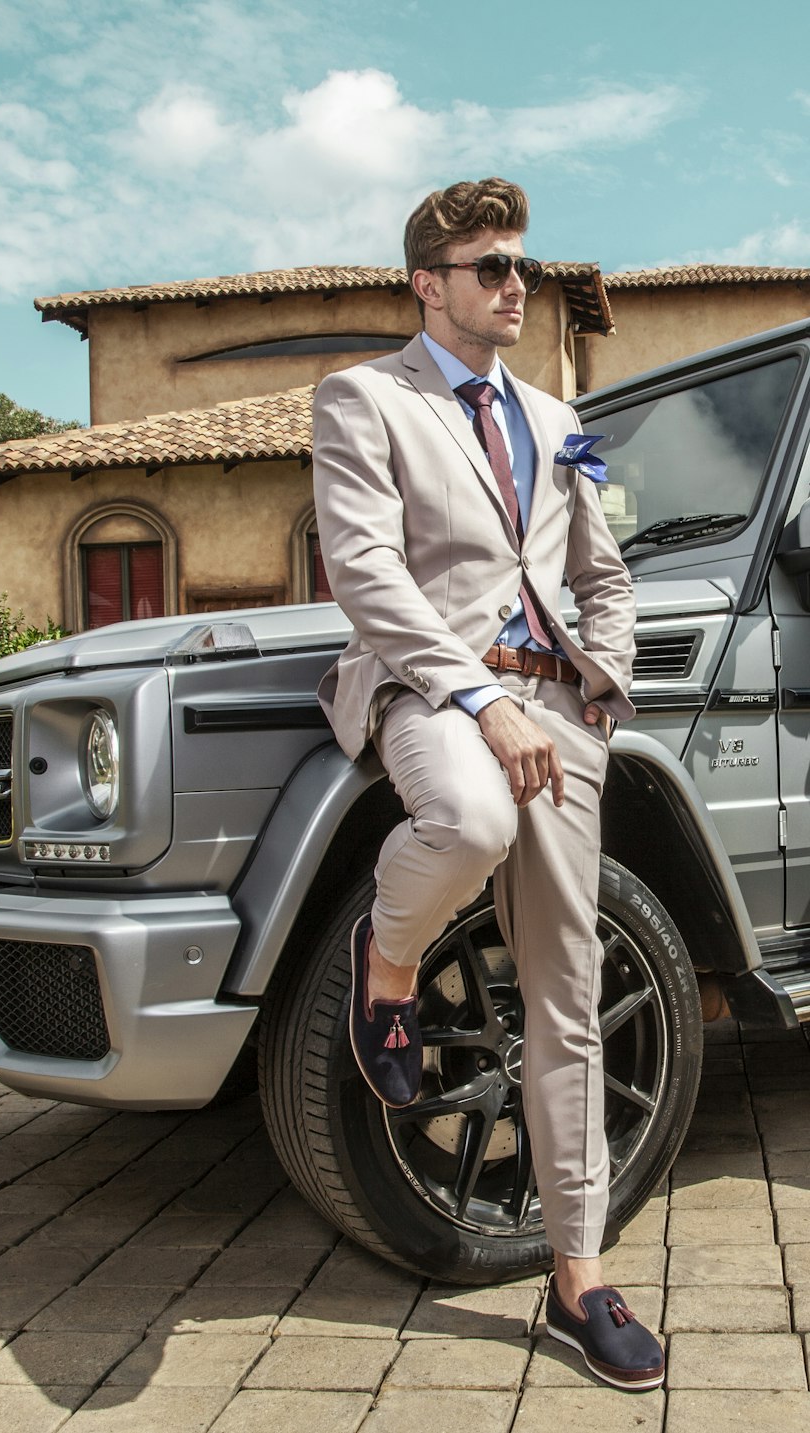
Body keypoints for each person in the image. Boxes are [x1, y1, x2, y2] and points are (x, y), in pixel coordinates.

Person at [312, 178, 664, 1392]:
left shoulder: (563, 416)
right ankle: (390, 961)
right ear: (428, 281)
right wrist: (480, 697)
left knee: (565, 989)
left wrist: (598, 695)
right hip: (428, 690)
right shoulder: (364, 397)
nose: (516, 284)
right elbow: (364, 571)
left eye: (521, 265)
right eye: (490, 266)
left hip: (557, 712)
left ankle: (579, 1273)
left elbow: (601, 572)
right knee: (463, 814)